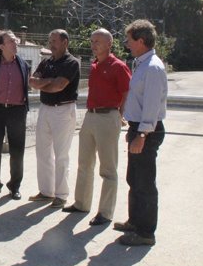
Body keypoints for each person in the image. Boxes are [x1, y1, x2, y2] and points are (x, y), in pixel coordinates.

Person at [62, 28, 131, 226]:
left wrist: (120, 115)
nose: (93, 45)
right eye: (92, 41)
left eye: (97, 41)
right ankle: (82, 203)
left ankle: (105, 212)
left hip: (108, 116)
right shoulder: (94, 66)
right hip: (90, 116)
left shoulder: (118, 66)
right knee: (84, 163)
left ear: (109, 44)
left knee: (108, 168)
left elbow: (127, 93)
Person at [115, 20, 167, 247]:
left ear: (142, 41)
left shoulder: (153, 67)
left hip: (147, 130)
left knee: (145, 182)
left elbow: (153, 105)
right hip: (138, 128)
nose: (127, 44)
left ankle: (146, 232)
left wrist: (143, 134)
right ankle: (135, 222)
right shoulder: (141, 63)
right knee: (134, 178)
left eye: (130, 40)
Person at [28, 29, 80, 209]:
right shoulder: (46, 62)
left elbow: (59, 86)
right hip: (45, 109)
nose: (51, 44)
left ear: (65, 42)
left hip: (63, 111)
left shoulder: (71, 62)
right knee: (42, 151)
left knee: (61, 154)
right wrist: (48, 81)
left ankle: (61, 195)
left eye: (54, 41)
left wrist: (45, 84)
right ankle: (46, 191)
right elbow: (32, 82)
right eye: (50, 41)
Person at [0, 30, 30, 200]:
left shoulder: (24, 65)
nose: (15, 43)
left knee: (17, 151)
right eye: (11, 41)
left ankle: (15, 186)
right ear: (1, 46)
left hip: (17, 111)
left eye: (15, 40)